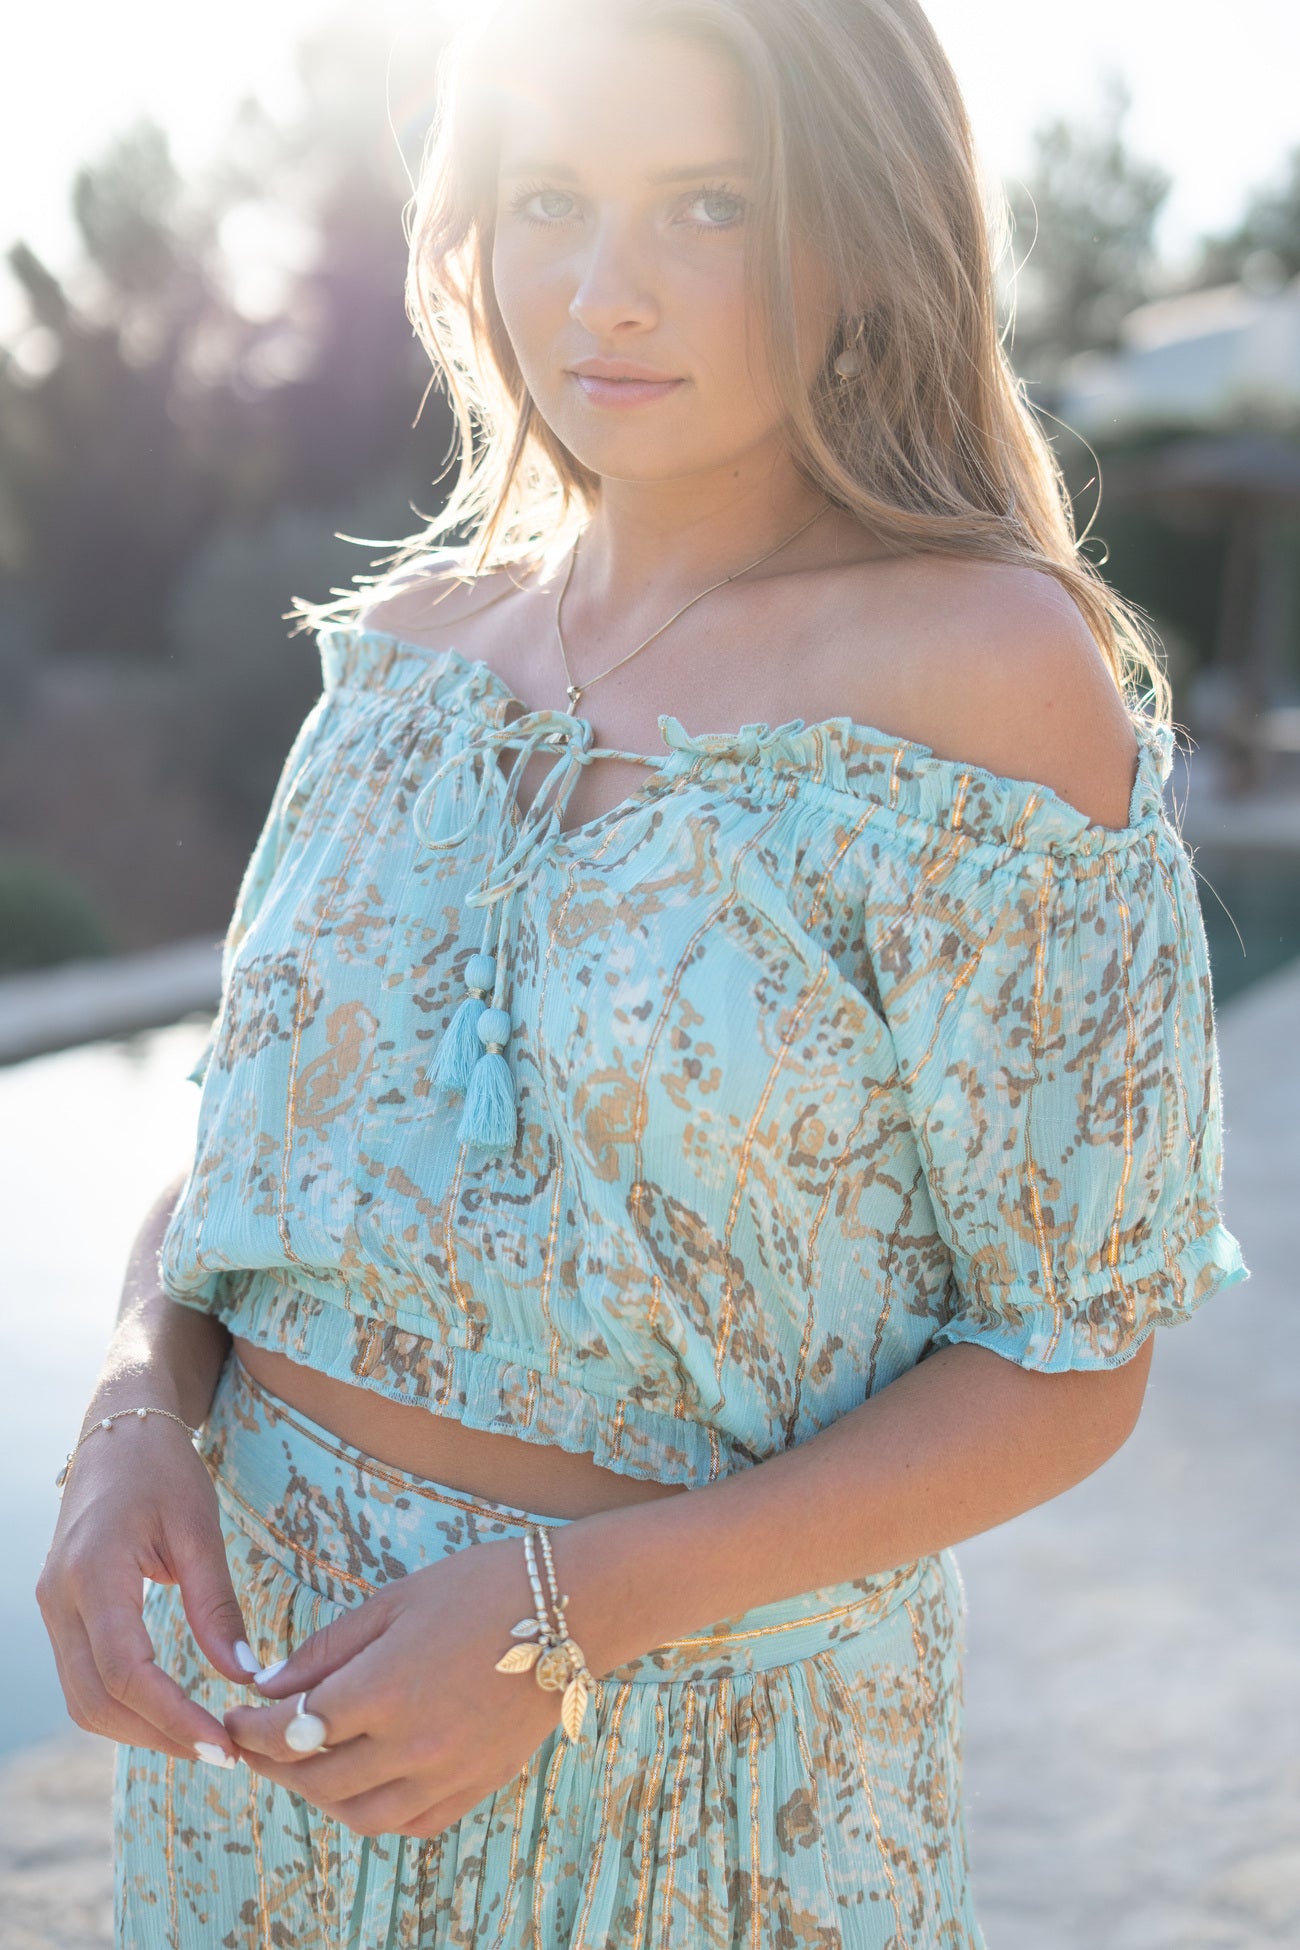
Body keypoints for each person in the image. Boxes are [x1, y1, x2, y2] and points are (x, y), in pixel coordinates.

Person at [38, 1, 1250, 1945]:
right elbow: (251, 1165)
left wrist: (559, 1616)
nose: (604, 289)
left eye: (707, 204)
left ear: (860, 230)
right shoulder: (412, 650)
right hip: (254, 1772)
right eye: (549, 201)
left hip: (694, 1794)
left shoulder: (982, 676)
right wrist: (127, 1420)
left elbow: (1068, 1360)